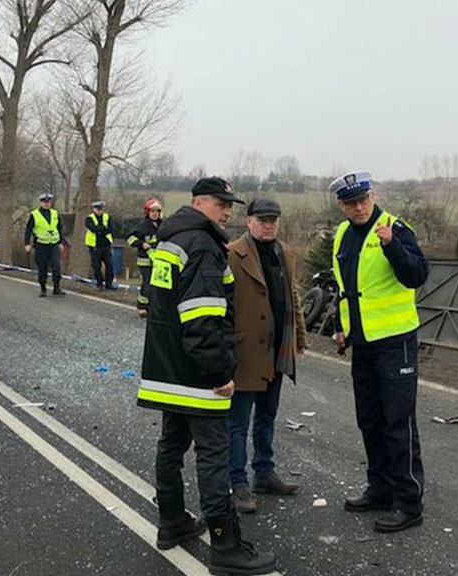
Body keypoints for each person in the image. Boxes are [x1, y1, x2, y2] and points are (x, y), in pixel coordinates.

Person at [137, 177, 275, 575]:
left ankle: (173, 521)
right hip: (196, 372)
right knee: (214, 455)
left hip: (166, 367)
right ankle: (225, 544)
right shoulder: (202, 246)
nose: (227, 210)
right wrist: (220, 372)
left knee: (171, 444)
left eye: (230, 204)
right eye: (220, 203)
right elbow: (203, 318)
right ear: (199, 203)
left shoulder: (170, 238)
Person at [330, 171, 429, 534]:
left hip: (396, 342)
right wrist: (341, 327)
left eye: (363, 199)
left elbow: (417, 275)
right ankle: (380, 488)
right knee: (370, 420)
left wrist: (392, 246)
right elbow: (347, 288)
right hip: (363, 342)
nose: (358, 207)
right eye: (350, 202)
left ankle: (408, 502)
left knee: (397, 423)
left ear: (373, 195)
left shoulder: (394, 228)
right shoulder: (342, 234)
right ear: (341, 205)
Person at [226, 198, 308, 514]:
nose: (268, 224)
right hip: (245, 350)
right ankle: (238, 482)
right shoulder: (232, 253)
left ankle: (263, 471)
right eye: (262, 219)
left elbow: (294, 295)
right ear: (249, 221)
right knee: (237, 422)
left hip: (277, 348)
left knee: (267, 415)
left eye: (273, 219)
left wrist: (299, 335)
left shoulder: (284, 253)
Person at [23, 193, 66, 297]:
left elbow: (59, 228)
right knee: (42, 268)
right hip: (41, 245)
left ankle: (57, 287)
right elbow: (28, 230)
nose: (47, 204)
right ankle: (43, 288)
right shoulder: (34, 214)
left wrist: (61, 242)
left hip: (53, 244)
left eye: (48, 202)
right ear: (41, 203)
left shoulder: (55, 213)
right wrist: (27, 243)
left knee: (56, 267)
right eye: (45, 202)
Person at [127, 198, 163, 316]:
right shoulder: (142, 226)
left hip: (159, 261)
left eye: (157, 211)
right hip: (145, 261)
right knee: (147, 284)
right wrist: (141, 244)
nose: (155, 213)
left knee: (158, 285)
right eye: (152, 211)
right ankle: (142, 306)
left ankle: (154, 307)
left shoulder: (163, 226)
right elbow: (129, 238)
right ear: (147, 212)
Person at [85, 200, 115, 290]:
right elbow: (93, 229)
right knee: (96, 266)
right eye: (97, 209)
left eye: (101, 209)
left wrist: (99, 230)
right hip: (95, 246)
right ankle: (99, 283)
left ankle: (109, 284)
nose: (99, 211)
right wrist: (102, 229)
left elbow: (111, 229)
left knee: (109, 265)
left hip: (106, 245)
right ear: (93, 209)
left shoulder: (107, 217)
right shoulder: (89, 218)